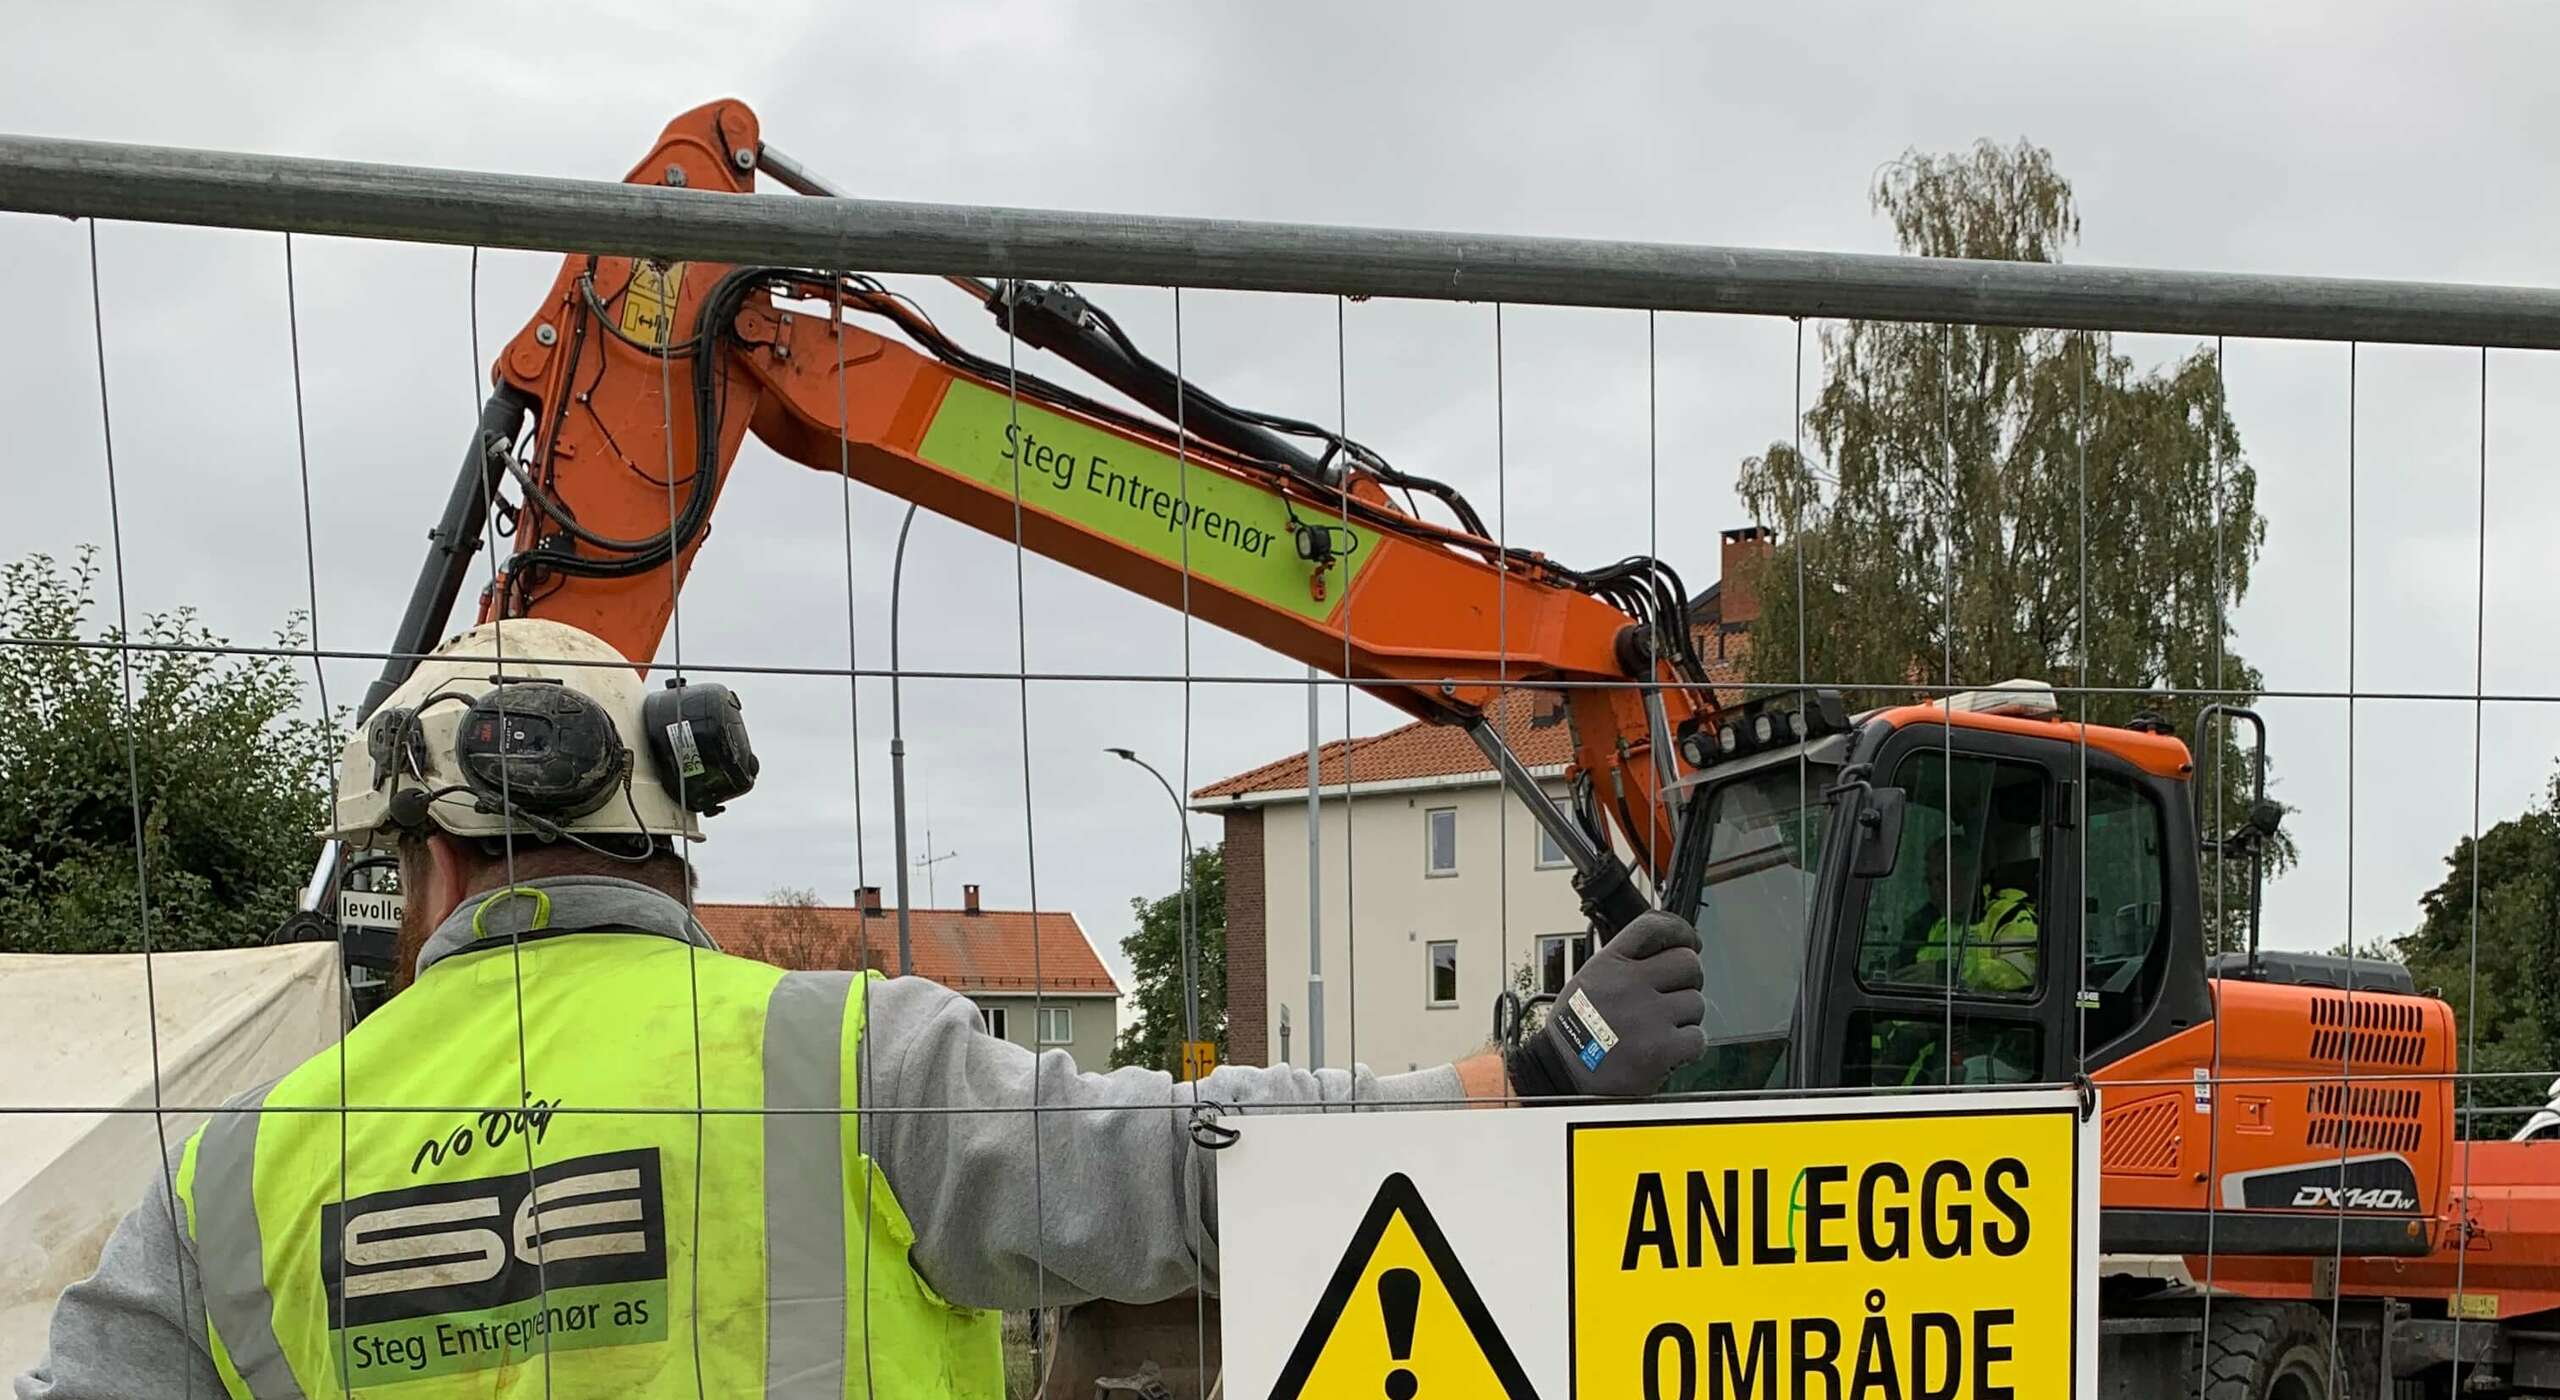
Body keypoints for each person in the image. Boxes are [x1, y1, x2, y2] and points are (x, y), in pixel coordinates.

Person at [16, 619, 1708, 1399]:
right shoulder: (834, 1055)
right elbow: (1191, 1168)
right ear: (675, 832)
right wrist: (1522, 1070)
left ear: (417, 864)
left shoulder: (235, 1175)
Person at [1909, 834, 2039, 994]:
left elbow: (2020, 973)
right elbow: (1923, 978)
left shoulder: (2011, 916)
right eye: (1929, 882)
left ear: (1970, 876)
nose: (1935, 891)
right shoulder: (1940, 926)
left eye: (1942, 878)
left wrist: (1949, 974)